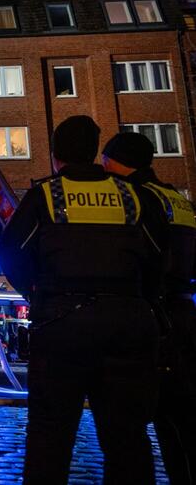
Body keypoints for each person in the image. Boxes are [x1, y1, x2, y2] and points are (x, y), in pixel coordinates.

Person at [0, 116, 167, 484]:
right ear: (95, 153)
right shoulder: (134, 196)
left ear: (56, 155)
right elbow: (160, 257)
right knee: (127, 438)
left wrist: (37, 291)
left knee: (49, 436)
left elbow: (10, 254)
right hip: (128, 322)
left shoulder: (44, 196)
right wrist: (140, 298)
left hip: (61, 323)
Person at [102, 132, 196, 484]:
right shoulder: (177, 199)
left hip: (149, 317)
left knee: (127, 427)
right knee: (182, 426)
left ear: (113, 161)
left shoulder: (135, 199)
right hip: (184, 315)